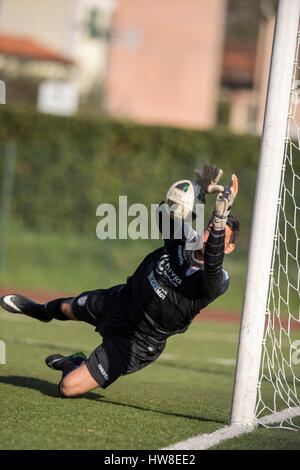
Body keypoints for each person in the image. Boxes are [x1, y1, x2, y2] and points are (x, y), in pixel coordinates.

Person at [0, 164, 240, 398]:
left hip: (140, 341)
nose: (209, 236)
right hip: (121, 301)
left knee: (67, 388)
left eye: (219, 235)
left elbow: (212, 264)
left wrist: (220, 217)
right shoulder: (185, 240)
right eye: (209, 228)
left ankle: (73, 363)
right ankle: (38, 310)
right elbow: (162, 214)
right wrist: (197, 191)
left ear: (228, 248)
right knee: (66, 307)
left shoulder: (218, 280)